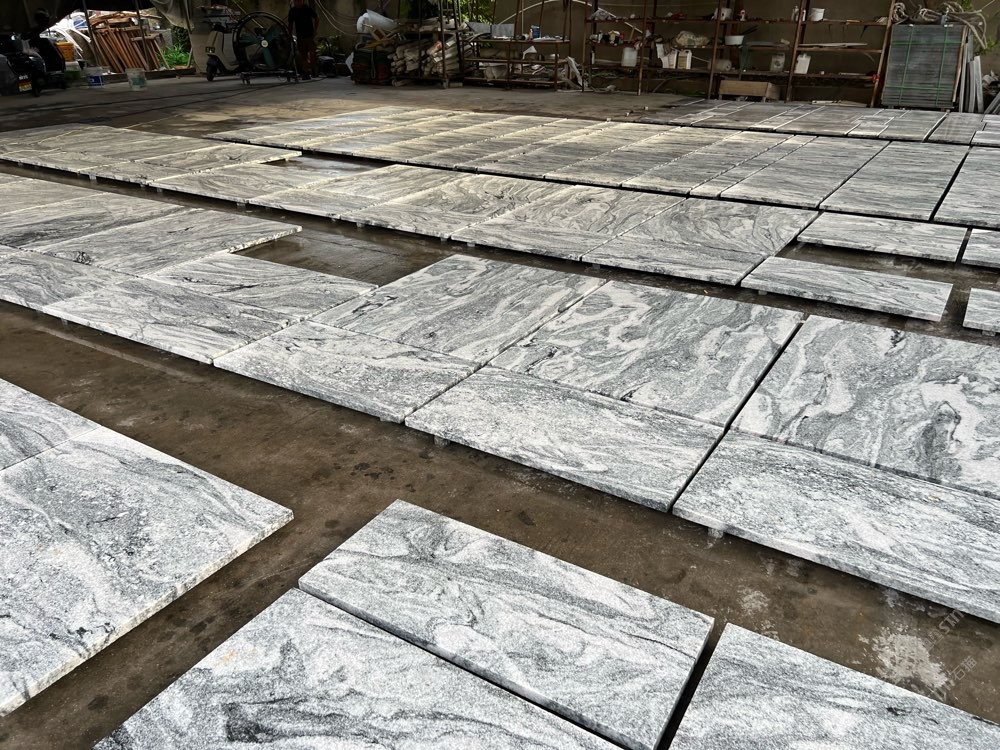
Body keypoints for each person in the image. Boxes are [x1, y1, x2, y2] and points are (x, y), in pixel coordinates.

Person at [288, 0, 319, 79]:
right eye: (296, 1)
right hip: (300, 36)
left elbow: (316, 18)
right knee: (303, 55)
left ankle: (312, 69)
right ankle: (306, 72)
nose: (297, 2)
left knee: (312, 53)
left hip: (310, 35)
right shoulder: (293, 11)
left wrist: (315, 30)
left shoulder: (306, 8)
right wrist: (289, 34)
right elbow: (290, 24)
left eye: (299, 1)